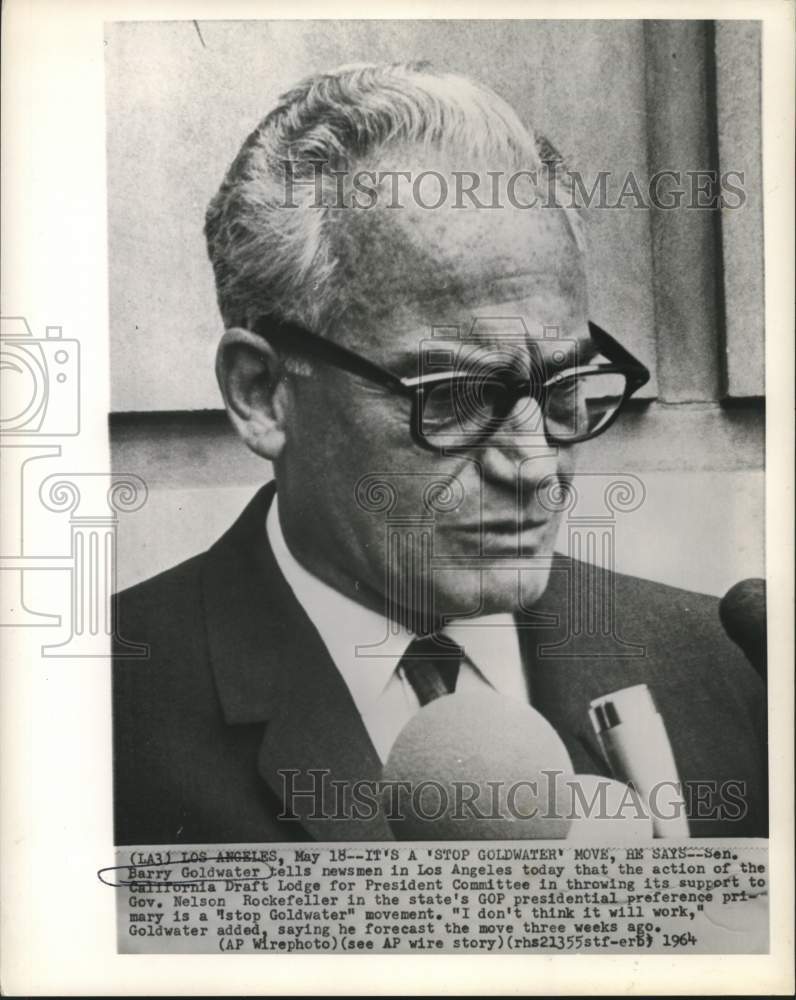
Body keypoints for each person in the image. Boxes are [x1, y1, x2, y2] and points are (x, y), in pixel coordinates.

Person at [112, 62, 766, 845]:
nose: (533, 465)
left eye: (563, 390)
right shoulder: (93, 711)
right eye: (454, 398)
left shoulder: (727, 673)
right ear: (262, 392)